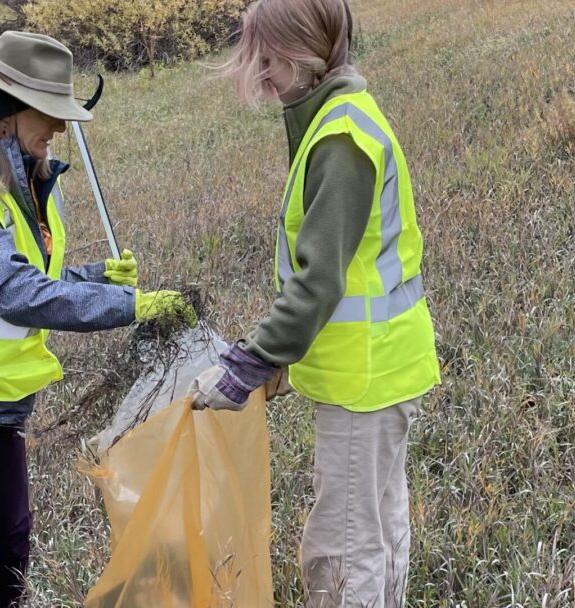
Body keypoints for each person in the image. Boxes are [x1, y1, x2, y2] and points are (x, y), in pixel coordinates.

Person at [0, 31, 195, 607]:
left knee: (13, 545)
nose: (59, 129)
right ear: (4, 111)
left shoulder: (25, 176)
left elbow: (31, 277)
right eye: (49, 114)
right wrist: (127, 307)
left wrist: (98, 277)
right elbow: (13, 292)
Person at [189, 0, 441, 606]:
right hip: (383, 371)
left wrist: (249, 361)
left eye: (270, 60)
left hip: (366, 380)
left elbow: (319, 282)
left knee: (341, 552)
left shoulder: (340, 137)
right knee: (380, 527)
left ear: (305, 53)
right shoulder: (343, 117)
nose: (265, 76)